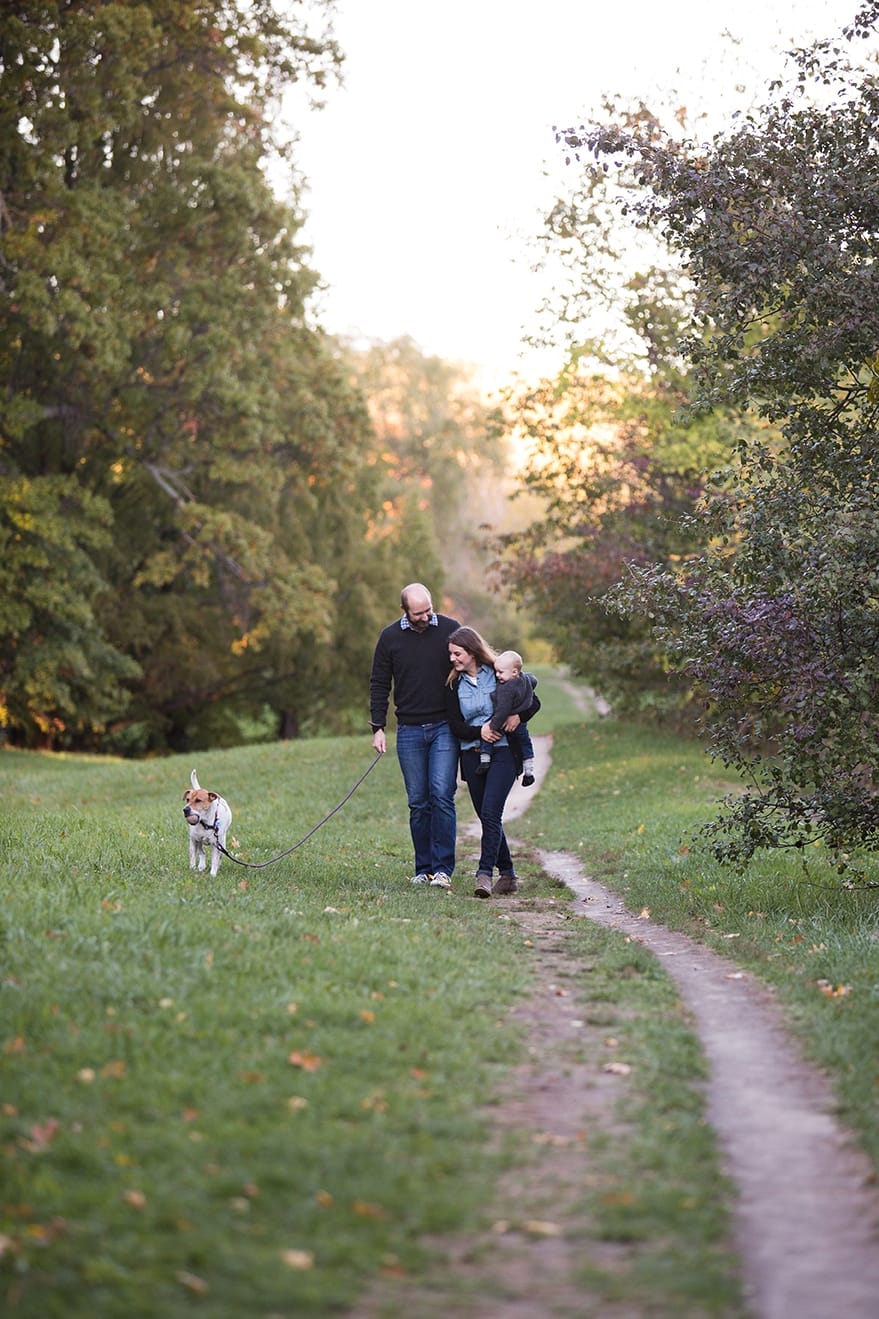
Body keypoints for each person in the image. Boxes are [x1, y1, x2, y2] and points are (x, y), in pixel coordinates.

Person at [369, 583, 461, 890]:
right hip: (408, 729)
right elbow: (380, 683)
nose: (425, 617)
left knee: (441, 794)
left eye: (428, 610)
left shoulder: (451, 629)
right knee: (418, 802)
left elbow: (473, 668)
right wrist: (378, 727)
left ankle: (443, 868)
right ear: (405, 610)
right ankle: (423, 868)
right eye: (418, 613)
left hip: (444, 727)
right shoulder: (390, 638)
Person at [444, 626, 540, 899]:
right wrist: (480, 731)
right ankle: (508, 875)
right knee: (487, 816)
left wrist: (519, 717)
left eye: (457, 653)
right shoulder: (453, 684)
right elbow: (455, 725)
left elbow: (533, 700)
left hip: (502, 754)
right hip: (472, 754)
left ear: (472, 651)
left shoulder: (499, 673)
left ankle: (484, 874)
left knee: (490, 813)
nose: (453, 659)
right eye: (451, 654)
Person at [477, 649, 537, 787]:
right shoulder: (525, 679)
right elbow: (534, 680)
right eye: (496, 671)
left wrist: (493, 725)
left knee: (488, 735)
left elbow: (502, 710)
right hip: (521, 725)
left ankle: (485, 759)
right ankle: (529, 771)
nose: (497, 675)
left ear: (514, 672)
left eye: (500, 672)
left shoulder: (506, 688)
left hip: (503, 720)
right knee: (525, 743)